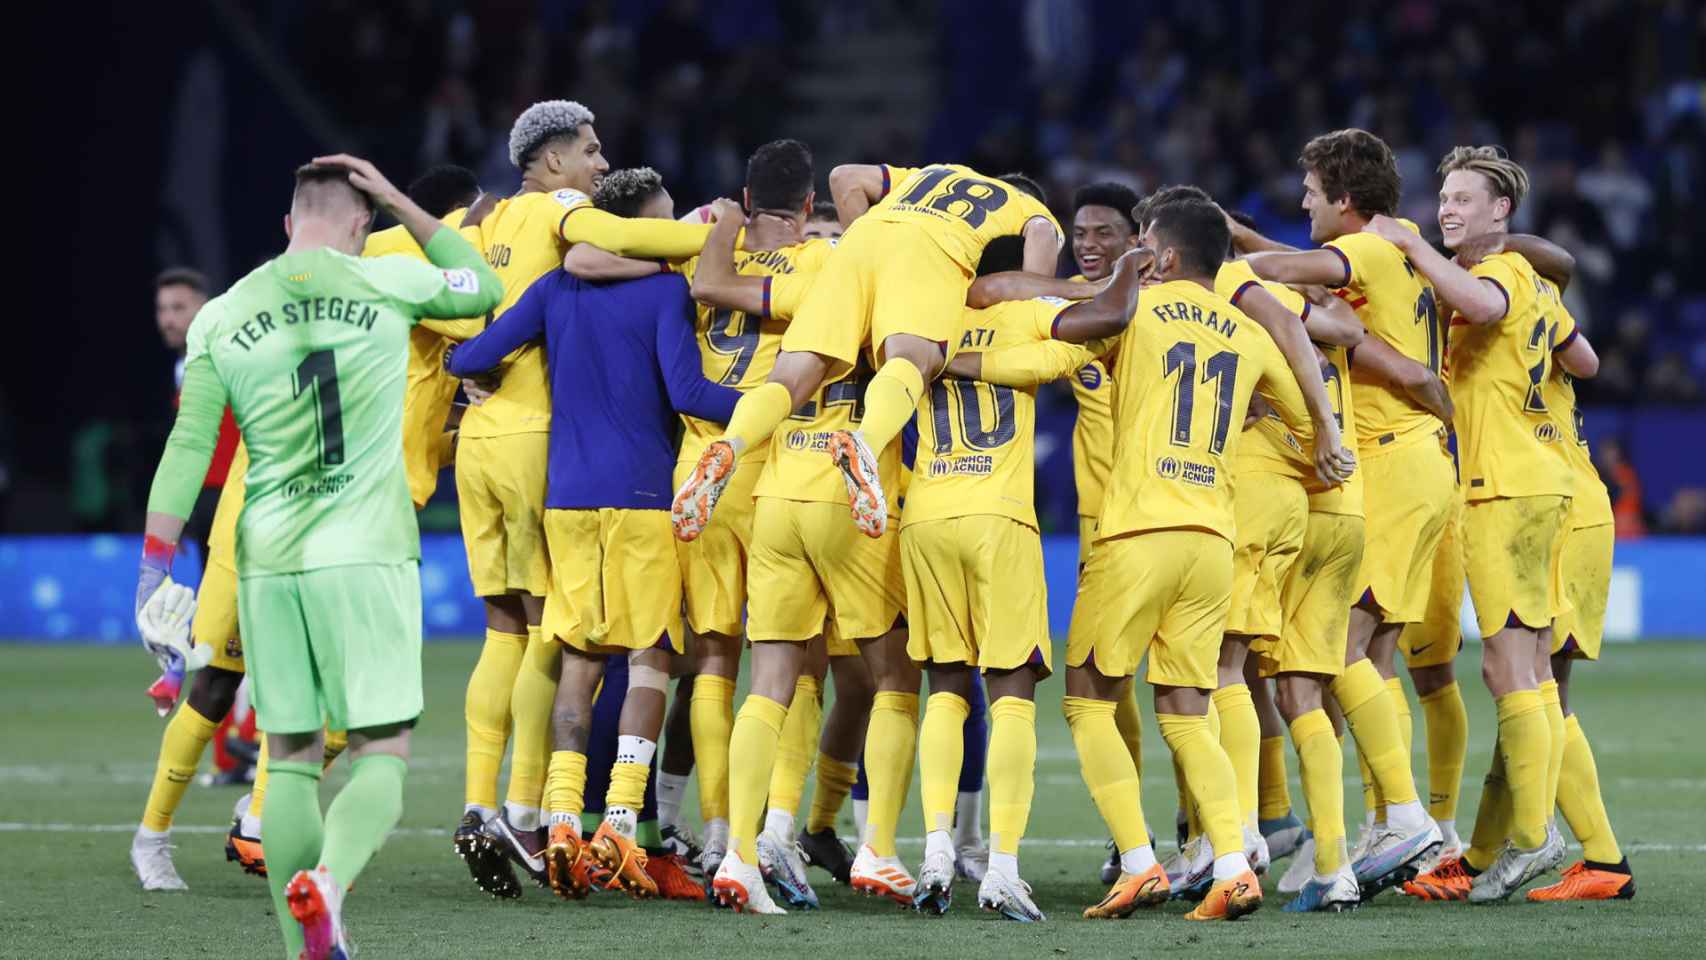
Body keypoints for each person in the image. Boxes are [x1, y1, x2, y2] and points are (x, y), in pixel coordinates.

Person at [134, 155, 502, 958]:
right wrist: (405, 200)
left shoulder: (221, 315)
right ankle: (328, 883)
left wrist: (155, 570)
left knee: (290, 758)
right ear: (362, 222)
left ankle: (307, 942)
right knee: (382, 753)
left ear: (287, 222)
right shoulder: (386, 281)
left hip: (266, 554)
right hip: (365, 547)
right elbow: (484, 286)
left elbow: (189, 446)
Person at [451, 99, 731, 899]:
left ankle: (559, 819)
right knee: (649, 660)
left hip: (565, 497)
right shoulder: (664, 293)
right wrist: (770, 404)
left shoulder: (548, 291)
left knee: (576, 655)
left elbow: (474, 349)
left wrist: (470, 373)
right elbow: (688, 389)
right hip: (642, 495)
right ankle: (618, 826)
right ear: (637, 228)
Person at [1053, 197, 1319, 921]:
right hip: (1211, 540)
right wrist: (1306, 430)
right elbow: (1301, 411)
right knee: (1185, 709)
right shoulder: (1249, 330)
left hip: (1139, 532)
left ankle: (1139, 862)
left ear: (1165, 257)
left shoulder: (1135, 307)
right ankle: (1234, 865)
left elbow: (1067, 328)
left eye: (1143, 243)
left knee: (1085, 697)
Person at [1231, 129, 1447, 895]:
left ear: (1345, 201)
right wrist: (1237, 233)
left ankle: (1406, 814)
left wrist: (1215, 264)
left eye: (1313, 194)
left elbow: (1293, 270)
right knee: (1373, 658)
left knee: (1337, 654)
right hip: (1418, 464)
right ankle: (1388, 816)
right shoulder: (1405, 240)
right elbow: (1309, 266)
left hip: (1386, 460)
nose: (1301, 203)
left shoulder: (1373, 252)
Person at [904, 236, 1129, 920]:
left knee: (945, 686)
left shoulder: (916, 315)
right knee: (1011, 694)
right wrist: (1121, 272)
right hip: (997, 519)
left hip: (926, 512)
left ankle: (938, 847)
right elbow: (1090, 336)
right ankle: (1001, 864)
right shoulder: (1031, 311)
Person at [672, 162, 1064, 543]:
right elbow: (1036, 282)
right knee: (913, 361)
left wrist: (867, 258)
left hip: (856, 247)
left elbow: (843, 178)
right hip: (926, 255)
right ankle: (866, 445)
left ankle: (732, 444)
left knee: (791, 378)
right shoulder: (1029, 207)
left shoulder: (926, 174)